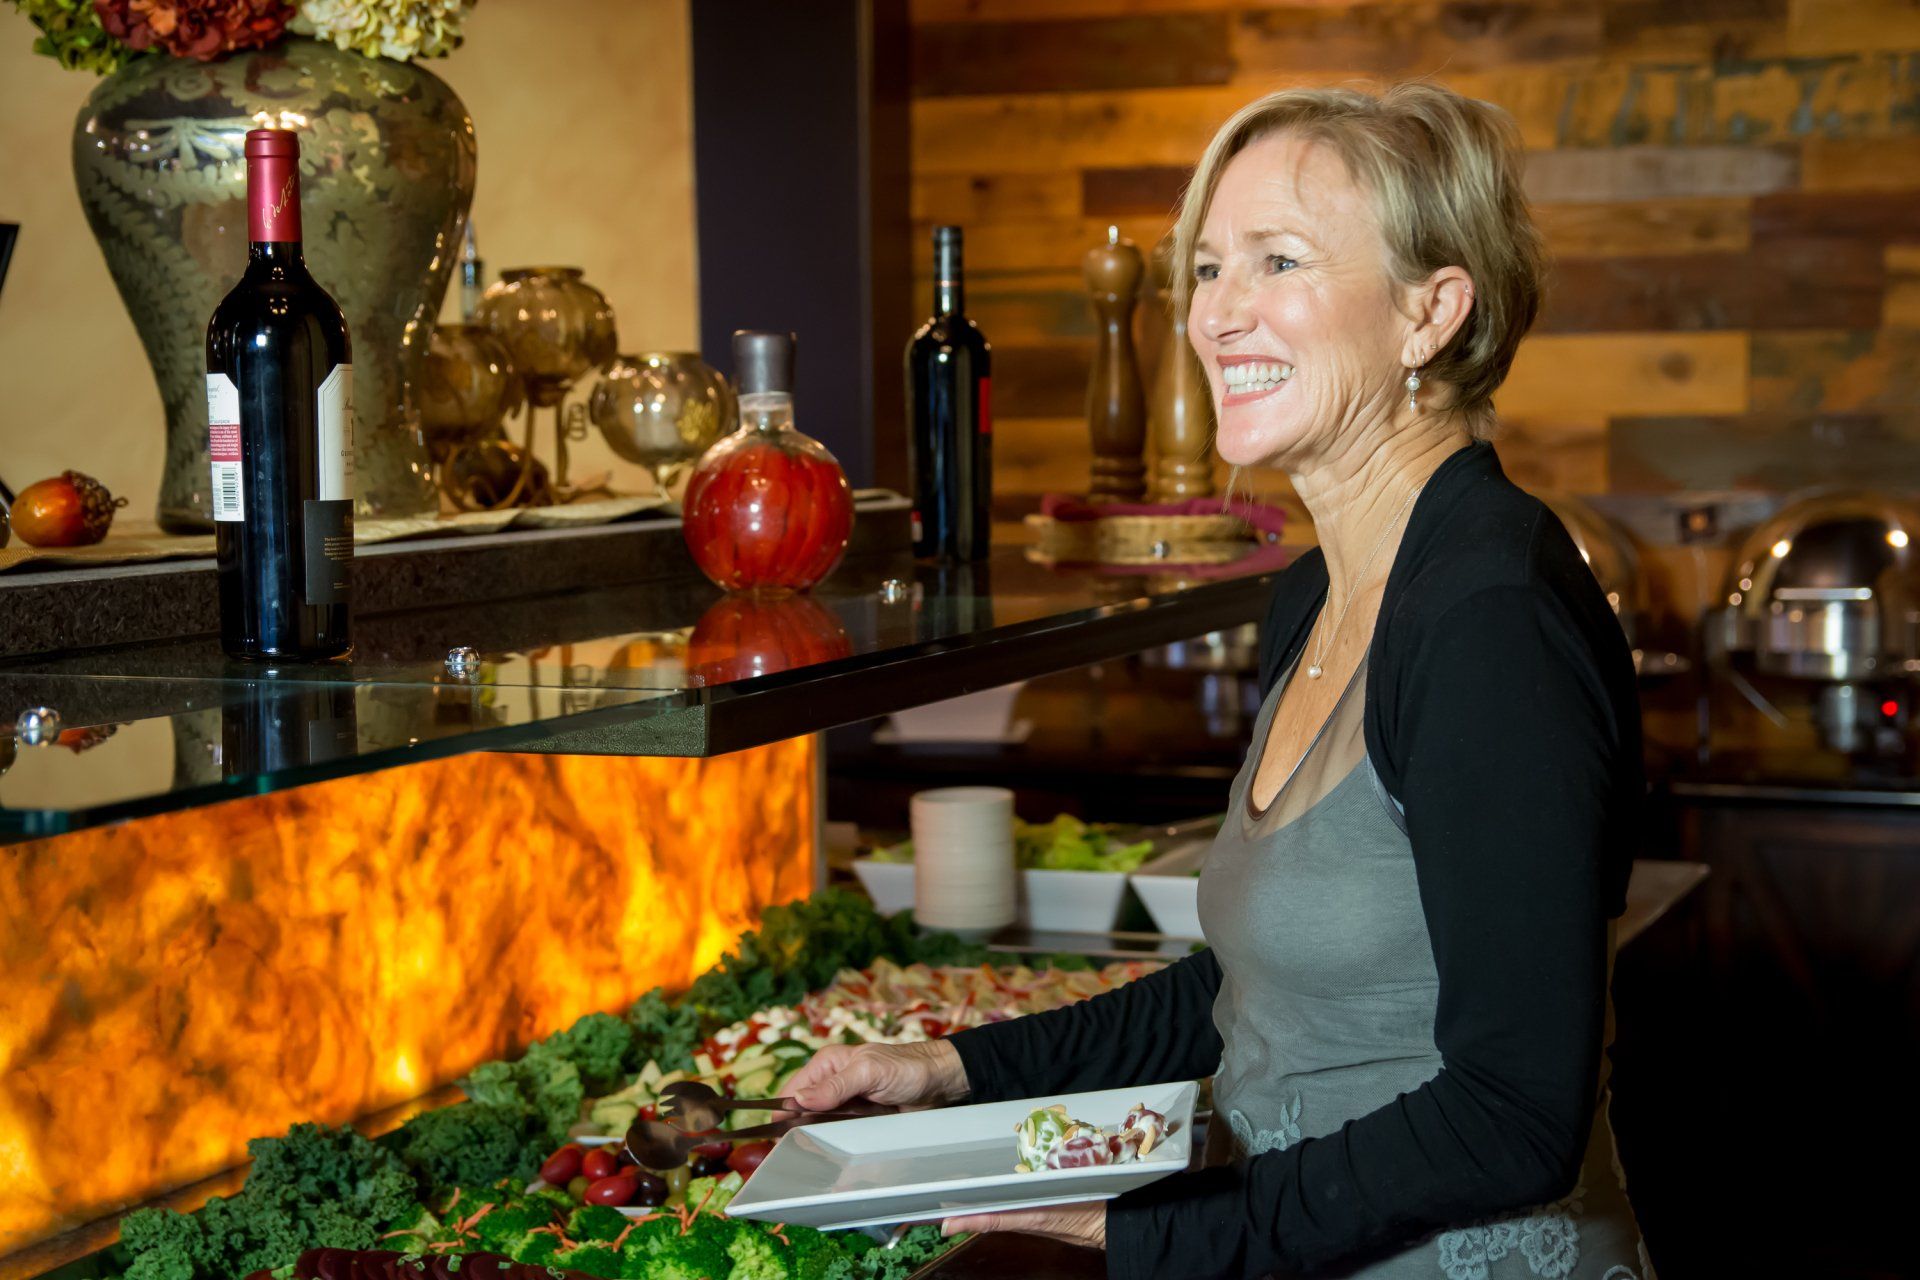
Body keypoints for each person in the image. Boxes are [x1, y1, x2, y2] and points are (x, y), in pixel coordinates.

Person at [786, 81, 1653, 1280]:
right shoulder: (1316, 592)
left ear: (1431, 311)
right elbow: (1258, 983)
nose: (1218, 315)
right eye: (1204, 268)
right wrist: (961, 1065)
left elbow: (1515, 1112)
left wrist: (1151, 1229)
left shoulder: (1486, 621)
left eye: (1279, 261)